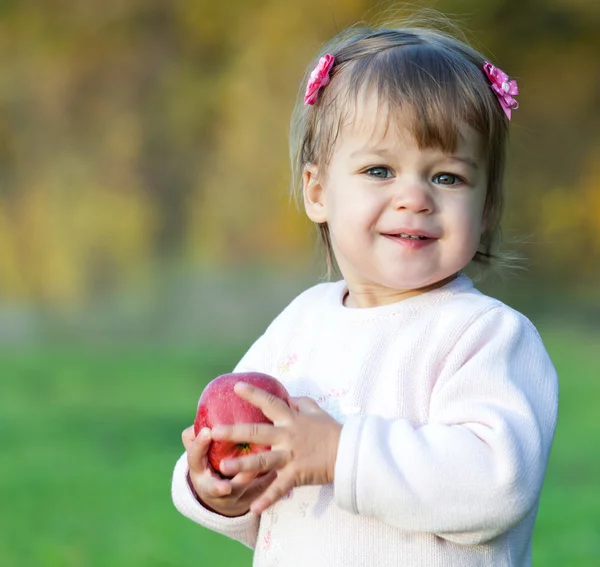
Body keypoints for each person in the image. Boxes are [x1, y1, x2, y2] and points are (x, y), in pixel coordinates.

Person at [171, 16, 558, 567]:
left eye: (447, 177)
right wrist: (216, 486)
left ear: (487, 206)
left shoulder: (487, 336)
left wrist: (338, 454)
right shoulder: (301, 324)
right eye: (379, 170)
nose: (414, 198)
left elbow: (498, 485)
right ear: (318, 191)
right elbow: (251, 454)